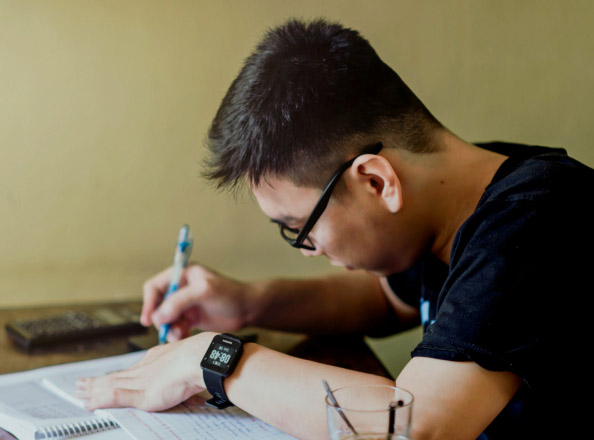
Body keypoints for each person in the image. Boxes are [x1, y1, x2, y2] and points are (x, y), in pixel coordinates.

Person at [76, 19, 592, 439]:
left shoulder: (538, 218)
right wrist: (251, 302)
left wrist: (209, 359)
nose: (306, 250)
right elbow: (388, 301)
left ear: (376, 181)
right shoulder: (462, 192)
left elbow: (415, 427)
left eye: (300, 227)